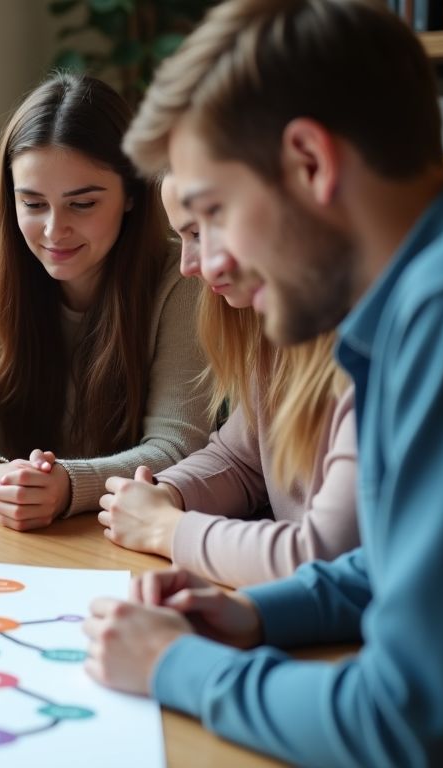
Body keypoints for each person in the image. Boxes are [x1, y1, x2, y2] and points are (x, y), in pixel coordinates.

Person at [84, 0, 443, 764]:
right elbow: (396, 565)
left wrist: (177, 666)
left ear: (311, 163)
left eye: (214, 212)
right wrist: (257, 615)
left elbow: (414, 723)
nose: (209, 264)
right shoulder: (423, 295)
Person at [0, 73, 210, 529]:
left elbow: (177, 448)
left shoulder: (183, 279)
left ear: (130, 193)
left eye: (82, 204)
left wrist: (66, 486)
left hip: (129, 537)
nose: (53, 230)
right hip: (17, 539)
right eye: (32, 203)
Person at [95, 174, 359, 586]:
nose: (188, 266)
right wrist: (167, 494)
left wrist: (166, 529)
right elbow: (239, 460)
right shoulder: (278, 335)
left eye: (201, 232)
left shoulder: (370, 347)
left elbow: (328, 555)